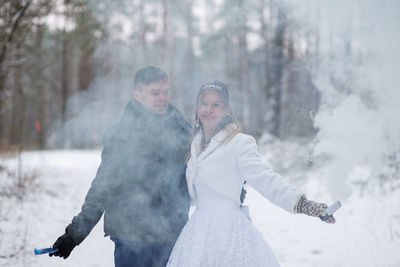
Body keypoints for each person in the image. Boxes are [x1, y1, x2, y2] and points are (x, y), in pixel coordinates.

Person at [167, 81, 336, 266]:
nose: (209, 109)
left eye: (217, 104)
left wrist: (303, 204)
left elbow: (266, 180)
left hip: (229, 233)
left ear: (227, 112)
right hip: (198, 234)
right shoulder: (194, 148)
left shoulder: (239, 143)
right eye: (204, 103)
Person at [49, 66, 192, 267]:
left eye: (165, 92)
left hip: (172, 236)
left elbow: (197, 173)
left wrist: (228, 190)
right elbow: (102, 188)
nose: (162, 97)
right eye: (154, 93)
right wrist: (74, 235)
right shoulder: (122, 136)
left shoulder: (183, 132)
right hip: (131, 238)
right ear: (138, 95)